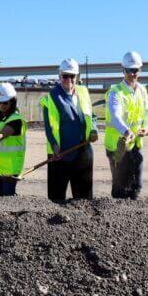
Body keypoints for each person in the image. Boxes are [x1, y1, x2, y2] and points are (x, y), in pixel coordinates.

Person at [41, 58, 99, 202]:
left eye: (72, 76)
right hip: (60, 155)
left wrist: (94, 130)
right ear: (59, 75)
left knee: (83, 200)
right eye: (65, 75)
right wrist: (54, 145)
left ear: (77, 76)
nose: (69, 79)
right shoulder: (52, 97)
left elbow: (91, 116)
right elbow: (49, 127)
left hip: (83, 153)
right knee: (56, 198)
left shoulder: (83, 92)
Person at [104, 51, 148, 199]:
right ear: (123, 70)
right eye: (129, 70)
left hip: (136, 143)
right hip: (118, 146)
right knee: (120, 186)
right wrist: (125, 131)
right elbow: (115, 115)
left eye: (135, 70)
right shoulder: (115, 93)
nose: (132, 73)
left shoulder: (142, 90)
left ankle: (133, 208)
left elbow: (147, 112)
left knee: (136, 184)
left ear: (140, 70)